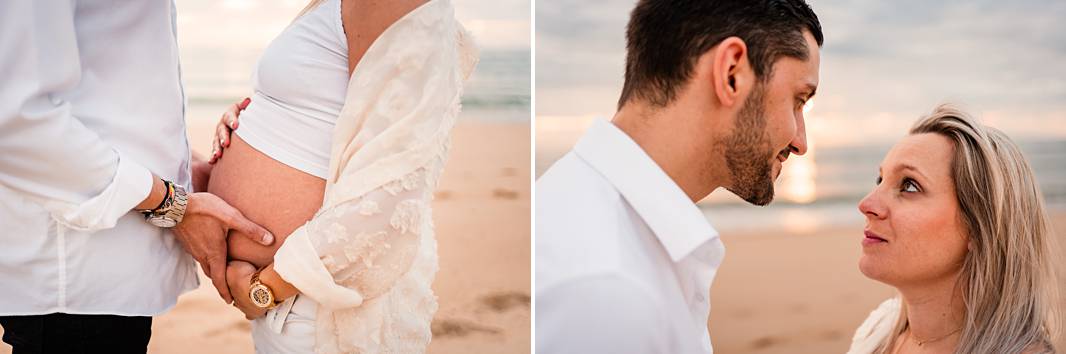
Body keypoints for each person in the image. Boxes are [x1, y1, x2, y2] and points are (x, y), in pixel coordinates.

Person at [535, 0, 823, 352]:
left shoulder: (584, 208)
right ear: (731, 73)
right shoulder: (606, 291)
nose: (801, 142)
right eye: (799, 99)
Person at [205, 0, 478, 352]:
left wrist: (266, 288)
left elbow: (391, 193)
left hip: (315, 306)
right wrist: (255, 117)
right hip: (291, 302)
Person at [0, 2, 273, 352]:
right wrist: (173, 206)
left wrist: (178, 164)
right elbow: (16, 117)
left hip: (105, 266)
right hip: (76, 267)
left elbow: (105, 93)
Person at [848, 105, 1061, 354]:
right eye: (880, 180)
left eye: (909, 185)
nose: (866, 205)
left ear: (978, 227)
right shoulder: (876, 332)